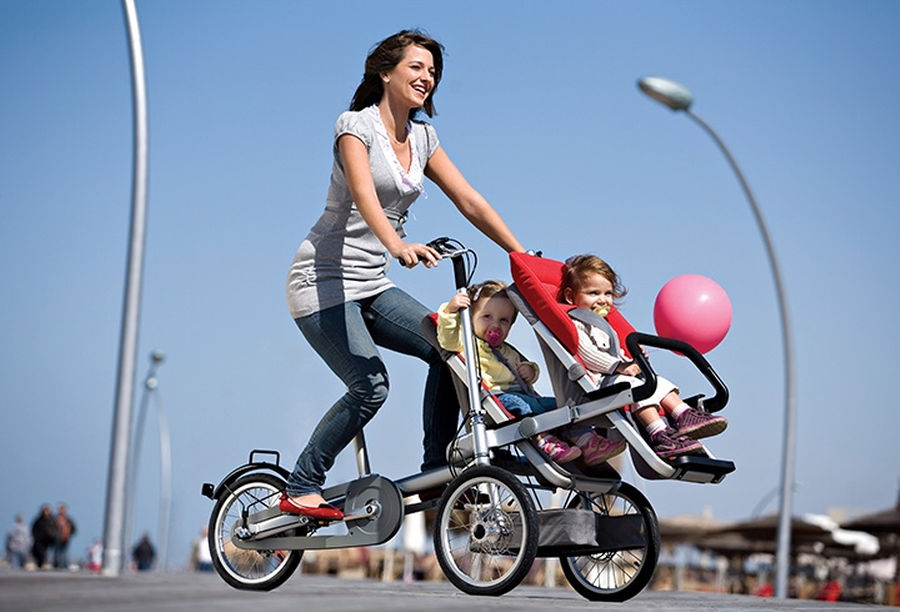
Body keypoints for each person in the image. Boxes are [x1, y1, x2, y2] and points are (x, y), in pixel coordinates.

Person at [282, 29, 524, 519]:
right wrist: (396, 245)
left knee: (450, 349)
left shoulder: (423, 137)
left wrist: (522, 255)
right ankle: (302, 483)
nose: (426, 77)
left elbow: (469, 200)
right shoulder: (355, 126)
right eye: (416, 67)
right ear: (385, 72)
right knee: (371, 386)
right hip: (322, 281)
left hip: (371, 283)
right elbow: (364, 193)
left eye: (432, 71)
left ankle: (437, 471)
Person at [437, 280, 625, 465]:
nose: (495, 325)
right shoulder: (467, 344)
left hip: (527, 396)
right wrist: (450, 311)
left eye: (504, 321)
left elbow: (526, 366)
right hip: (497, 400)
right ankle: (545, 442)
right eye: (487, 317)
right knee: (521, 405)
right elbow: (447, 339)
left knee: (562, 407)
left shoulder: (506, 350)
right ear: (471, 318)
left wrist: (530, 370)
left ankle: (587, 441)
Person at [559, 254, 727, 458]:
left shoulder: (605, 326)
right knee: (636, 388)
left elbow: (613, 352)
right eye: (593, 293)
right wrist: (619, 366)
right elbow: (587, 354)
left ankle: (683, 414)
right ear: (571, 297)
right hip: (598, 385)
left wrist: (630, 359)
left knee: (658, 382)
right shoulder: (578, 323)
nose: (602, 300)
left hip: (615, 378)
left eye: (608, 293)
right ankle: (659, 434)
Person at [30, 504, 56, 569]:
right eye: (45, 510)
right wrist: (36, 536)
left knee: (48, 553)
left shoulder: (52, 519)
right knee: (39, 552)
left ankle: (48, 563)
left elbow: (56, 529)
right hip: (40, 540)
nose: (46, 512)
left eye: (47, 510)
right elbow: (34, 529)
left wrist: (54, 536)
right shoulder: (39, 520)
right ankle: (41, 563)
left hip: (50, 540)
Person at [53, 503, 76, 569]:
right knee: (57, 552)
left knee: (65, 552)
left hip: (66, 539)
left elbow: (74, 529)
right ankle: (57, 565)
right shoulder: (55, 519)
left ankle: (65, 565)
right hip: (57, 538)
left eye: (63, 509)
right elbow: (51, 528)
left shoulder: (69, 519)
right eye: (60, 509)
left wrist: (68, 533)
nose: (61, 510)